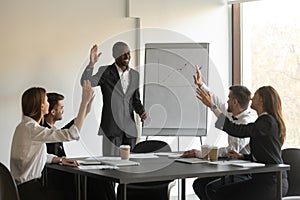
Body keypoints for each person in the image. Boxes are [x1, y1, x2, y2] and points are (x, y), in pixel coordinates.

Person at [196, 85, 288, 200]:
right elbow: (265, 155)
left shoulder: (266, 121)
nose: (251, 99)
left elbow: (236, 130)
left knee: (219, 193)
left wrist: (212, 106)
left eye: (255, 96)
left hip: (270, 184)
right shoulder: (265, 121)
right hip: (265, 180)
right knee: (218, 191)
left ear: (261, 100)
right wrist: (243, 156)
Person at [10, 80, 94, 200]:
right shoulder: (32, 129)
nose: (48, 103)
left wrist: (59, 159)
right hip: (31, 191)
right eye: (46, 100)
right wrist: (84, 102)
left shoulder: (23, 127)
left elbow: (32, 155)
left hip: (23, 188)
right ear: (41, 106)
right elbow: (71, 134)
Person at [182, 66, 255, 200]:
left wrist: (200, 153)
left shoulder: (245, 122)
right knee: (199, 184)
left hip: (242, 172)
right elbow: (215, 101)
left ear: (235, 102)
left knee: (210, 188)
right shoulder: (233, 111)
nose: (226, 101)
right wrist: (201, 85)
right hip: (229, 168)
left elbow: (232, 152)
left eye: (229, 98)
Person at [41, 92, 116, 200]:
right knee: (99, 180)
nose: (63, 110)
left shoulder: (51, 130)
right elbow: (71, 133)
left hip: (64, 173)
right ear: (53, 111)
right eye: (61, 108)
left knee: (103, 180)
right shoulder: (43, 132)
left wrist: (86, 108)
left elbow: (72, 127)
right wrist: (84, 104)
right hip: (58, 179)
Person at [81, 41, 147, 156]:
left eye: (128, 53)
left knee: (130, 164)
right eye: (123, 53)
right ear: (115, 55)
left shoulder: (135, 75)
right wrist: (91, 64)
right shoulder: (105, 71)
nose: (127, 56)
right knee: (110, 165)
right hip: (111, 128)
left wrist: (141, 112)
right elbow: (86, 83)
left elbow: (135, 100)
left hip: (129, 130)